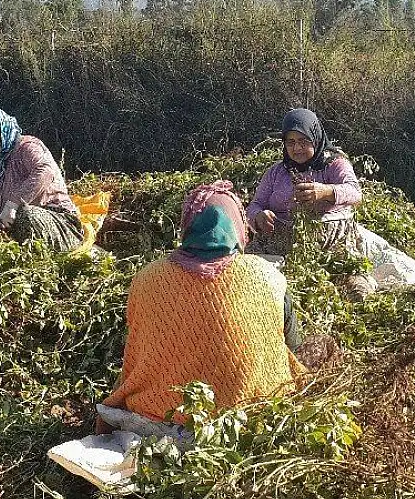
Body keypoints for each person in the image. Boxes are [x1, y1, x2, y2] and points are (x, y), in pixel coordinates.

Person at [98, 181, 304, 435]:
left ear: (187, 226)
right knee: (318, 348)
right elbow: (293, 346)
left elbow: (138, 349)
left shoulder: (147, 278)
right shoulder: (267, 275)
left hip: (158, 414)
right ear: (239, 227)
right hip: (250, 417)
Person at [0, 108, 83, 252]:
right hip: (23, 231)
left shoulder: (27, 147)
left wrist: (12, 205)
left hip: (61, 224)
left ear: (3, 129)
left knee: (26, 214)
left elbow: (45, 171)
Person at [247, 108, 362, 256]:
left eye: (303, 141)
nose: (297, 148)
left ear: (315, 138)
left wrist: (325, 192)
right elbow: (255, 205)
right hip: (277, 244)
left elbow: (355, 193)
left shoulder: (334, 164)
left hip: (329, 245)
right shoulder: (276, 172)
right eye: (291, 142)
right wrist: (259, 215)